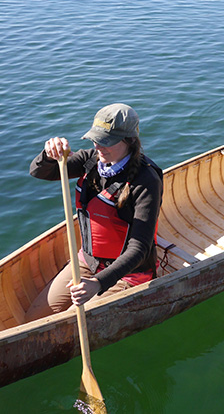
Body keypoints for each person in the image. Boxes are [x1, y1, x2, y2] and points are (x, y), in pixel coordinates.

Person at [25, 103, 163, 322]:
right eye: (95, 139)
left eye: (106, 141)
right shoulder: (90, 160)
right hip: (87, 261)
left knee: (68, 325)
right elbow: (38, 171)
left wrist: (98, 283)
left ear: (129, 141)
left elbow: (140, 248)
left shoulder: (146, 181)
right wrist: (50, 154)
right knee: (32, 321)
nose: (99, 146)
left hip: (127, 272)